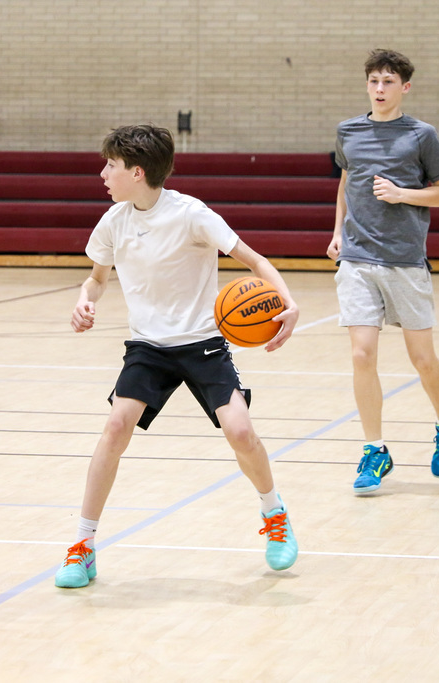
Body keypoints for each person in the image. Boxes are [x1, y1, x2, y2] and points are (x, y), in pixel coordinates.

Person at [54, 124, 300, 589]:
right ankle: (82, 547)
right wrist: (86, 298)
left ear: (137, 172)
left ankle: (275, 513)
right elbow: (97, 278)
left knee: (241, 432)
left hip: (203, 342)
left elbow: (256, 261)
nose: (103, 174)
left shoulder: (192, 215)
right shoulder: (113, 222)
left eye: (111, 165)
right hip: (148, 347)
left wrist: (288, 302)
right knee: (115, 427)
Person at [326, 49, 439, 495]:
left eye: (388, 82)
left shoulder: (422, 135)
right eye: (373, 81)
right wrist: (338, 232)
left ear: (405, 87)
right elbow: (347, 182)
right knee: (362, 354)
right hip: (358, 259)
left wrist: (404, 194)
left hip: (404, 260)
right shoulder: (349, 131)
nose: (379, 89)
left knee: (423, 360)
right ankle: (375, 450)